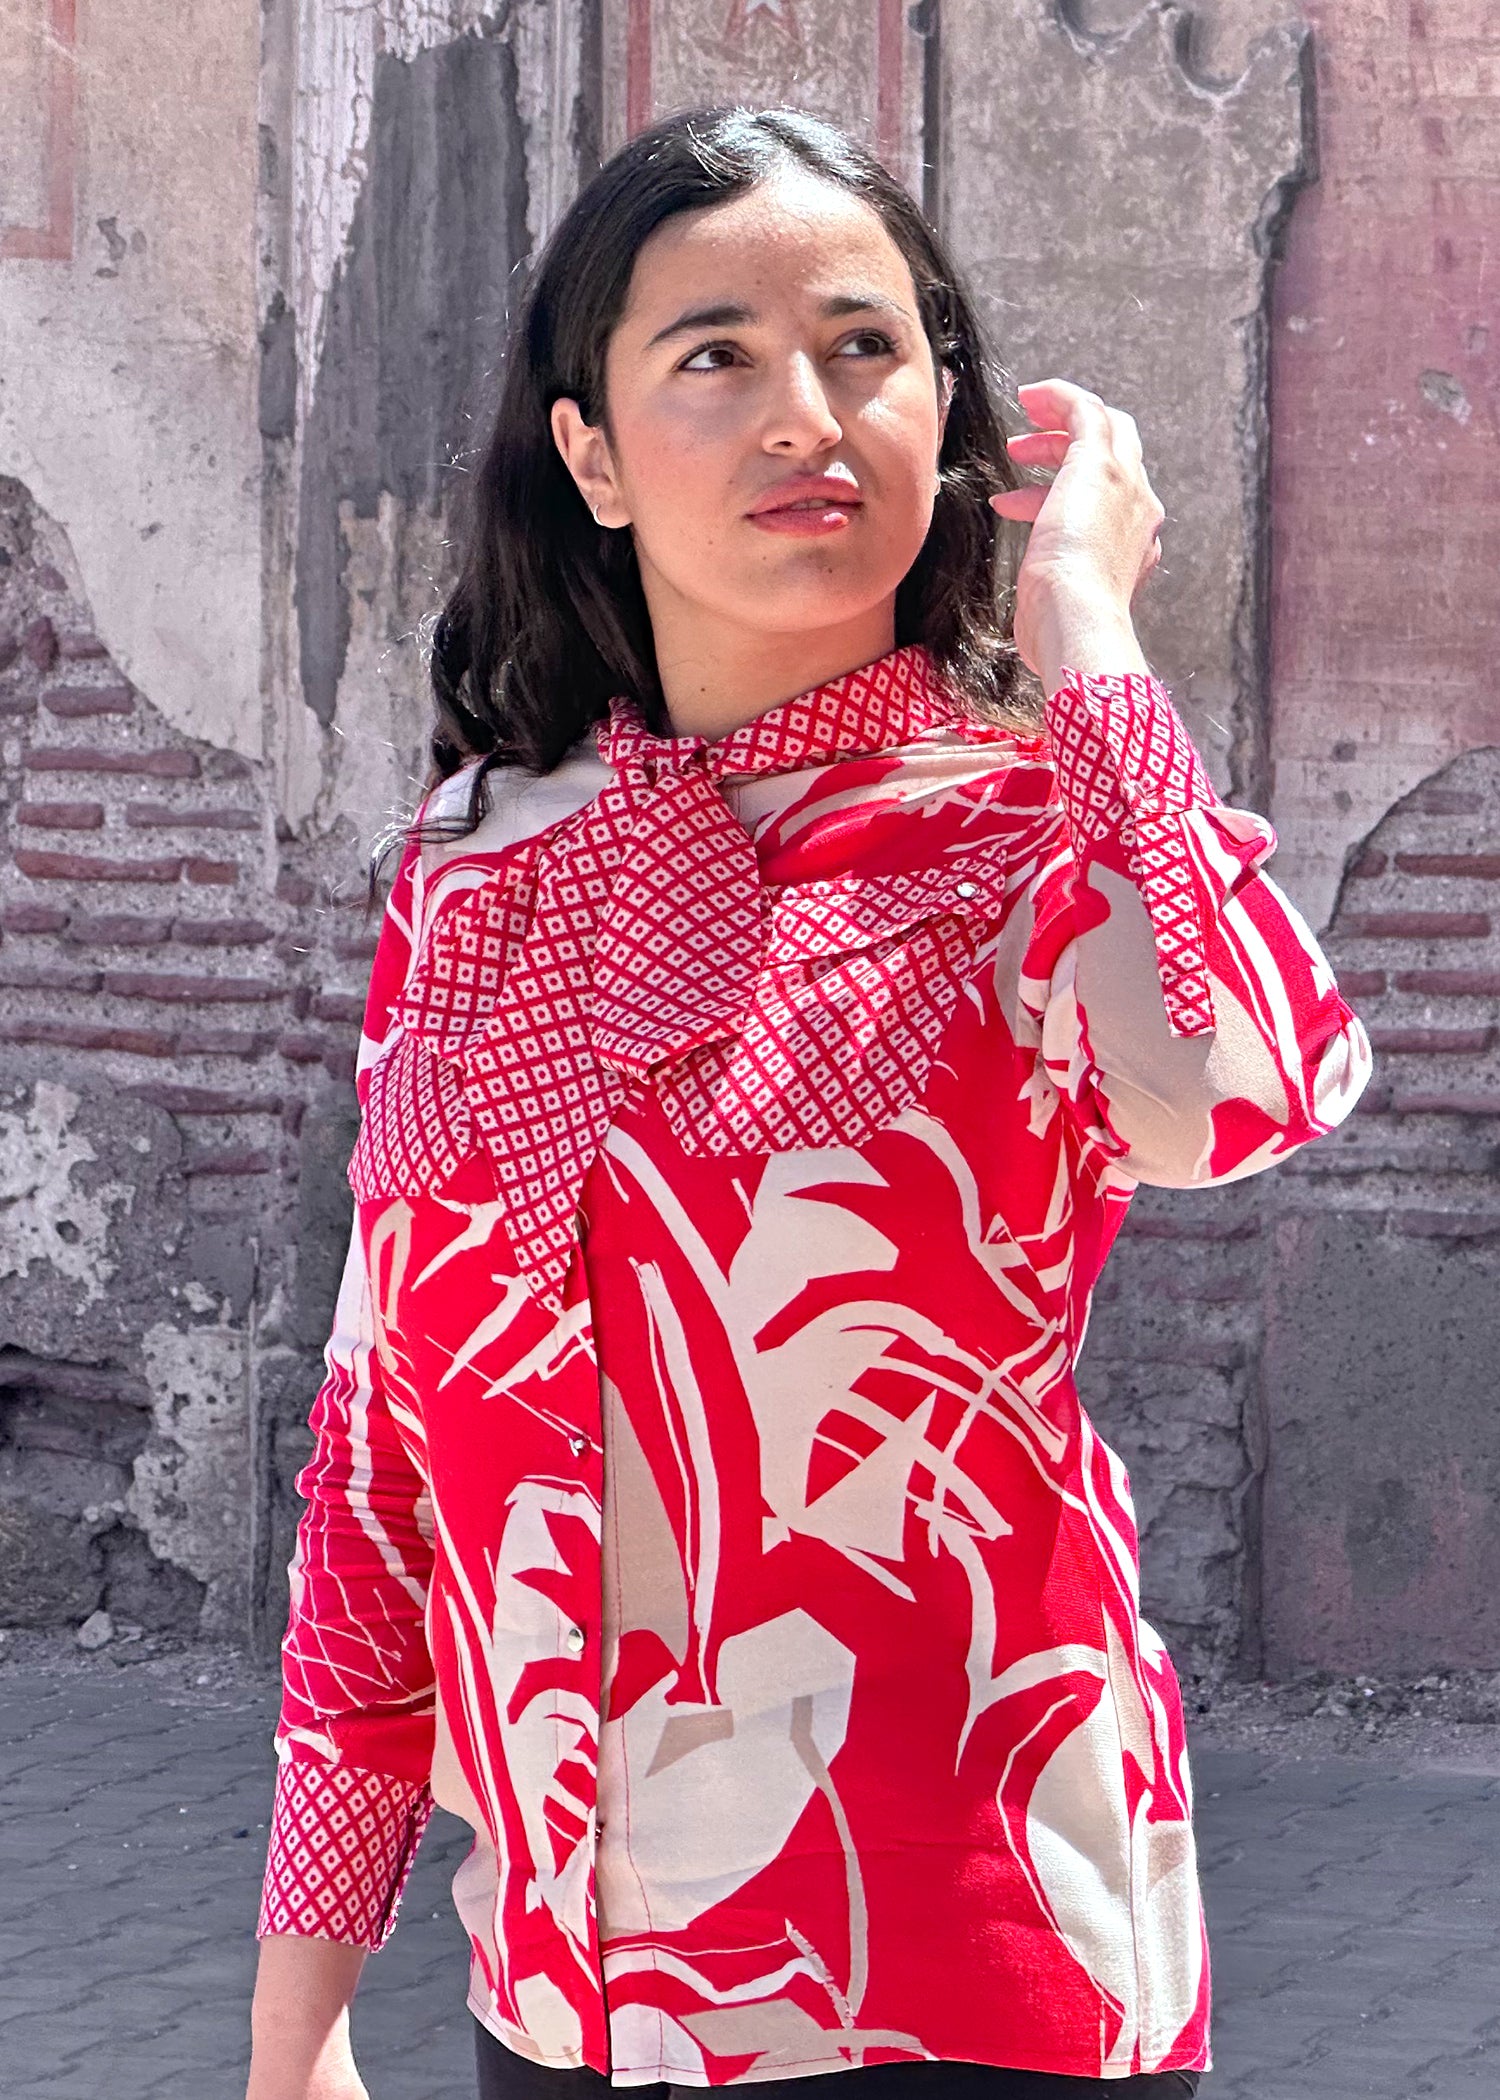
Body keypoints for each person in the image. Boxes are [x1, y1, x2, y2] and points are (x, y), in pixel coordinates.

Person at [246, 105, 1370, 2100]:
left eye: (864, 349)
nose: (804, 412)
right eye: (713, 354)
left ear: (946, 416)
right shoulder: (478, 867)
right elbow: (385, 1441)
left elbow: (1237, 1091)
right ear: (587, 449)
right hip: (560, 1978)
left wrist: (1090, 632)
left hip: (964, 1962)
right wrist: (302, 2004)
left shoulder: (1036, 828)